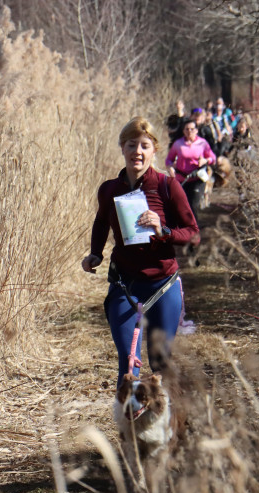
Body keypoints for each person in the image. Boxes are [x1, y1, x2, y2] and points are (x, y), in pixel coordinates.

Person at [81, 117, 199, 388]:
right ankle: (129, 427)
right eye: (131, 145)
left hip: (162, 284)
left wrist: (163, 229)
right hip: (125, 284)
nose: (138, 151)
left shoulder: (168, 187)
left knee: (159, 362)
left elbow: (193, 233)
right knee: (128, 360)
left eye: (144, 145)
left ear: (154, 150)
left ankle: (166, 423)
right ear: (122, 148)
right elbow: (101, 221)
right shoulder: (109, 189)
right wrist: (95, 254)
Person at [165, 119, 217, 222]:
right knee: (181, 205)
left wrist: (205, 160)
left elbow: (213, 159)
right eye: (187, 129)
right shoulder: (178, 144)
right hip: (181, 179)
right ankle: (182, 230)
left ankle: (194, 231)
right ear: (183, 131)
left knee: (192, 205)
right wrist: (170, 167)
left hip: (197, 179)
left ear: (196, 130)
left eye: (192, 129)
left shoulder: (202, 143)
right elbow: (169, 159)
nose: (189, 131)